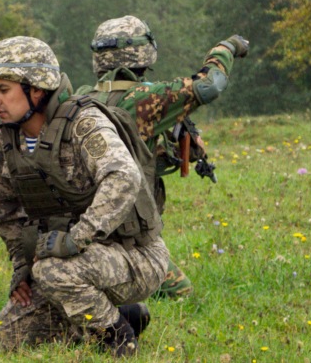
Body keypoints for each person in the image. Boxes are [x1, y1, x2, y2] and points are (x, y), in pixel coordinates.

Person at [0, 36, 167, 358]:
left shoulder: (84, 123)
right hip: (69, 259)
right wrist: (22, 267)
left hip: (135, 255)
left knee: (53, 272)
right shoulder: (4, 138)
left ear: (35, 89)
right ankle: (121, 317)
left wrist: (76, 239)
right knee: (4, 338)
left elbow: (123, 177)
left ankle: (118, 337)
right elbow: (5, 209)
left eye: (3, 89)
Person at [77, 15, 248, 298]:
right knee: (180, 292)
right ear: (143, 52)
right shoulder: (145, 98)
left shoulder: (81, 98)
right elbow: (210, 85)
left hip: (86, 223)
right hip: (124, 231)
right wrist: (227, 48)